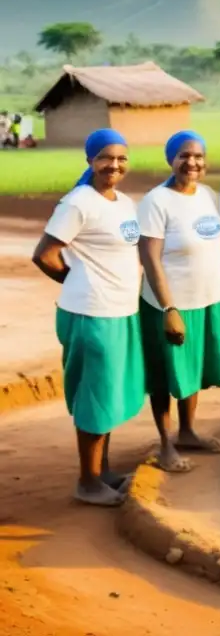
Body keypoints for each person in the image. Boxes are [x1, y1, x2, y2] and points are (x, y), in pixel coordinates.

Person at [30, 129, 146, 506]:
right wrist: (77, 281)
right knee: (95, 396)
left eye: (121, 158)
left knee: (108, 394)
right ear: (90, 160)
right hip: (92, 314)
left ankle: (103, 471)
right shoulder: (78, 203)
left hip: (120, 312)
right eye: (105, 158)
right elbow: (44, 254)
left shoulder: (123, 202)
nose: (114, 165)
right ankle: (87, 481)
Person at [137, 131, 220, 473]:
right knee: (165, 374)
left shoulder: (208, 195)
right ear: (170, 160)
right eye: (184, 156)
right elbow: (149, 259)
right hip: (170, 305)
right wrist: (169, 309)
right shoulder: (156, 201)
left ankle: (188, 431)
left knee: (192, 368)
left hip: (207, 300)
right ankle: (166, 444)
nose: (192, 162)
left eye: (197, 156)